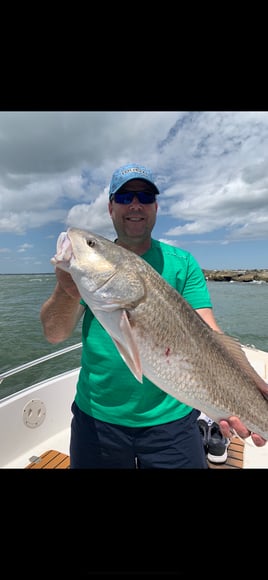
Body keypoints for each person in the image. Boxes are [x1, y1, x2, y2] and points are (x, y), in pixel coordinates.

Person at [40, 162, 268, 468]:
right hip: (97, 418)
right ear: (111, 208)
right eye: (124, 198)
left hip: (173, 422)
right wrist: (66, 289)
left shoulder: (182, 263)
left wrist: (255, 385)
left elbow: (210, 333)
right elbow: (54, 334)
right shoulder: (87, 278)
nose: (135, 204)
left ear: (156, 207)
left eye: (145, 196)